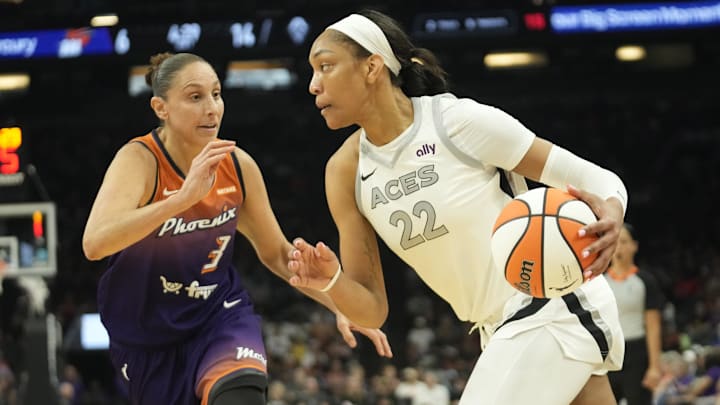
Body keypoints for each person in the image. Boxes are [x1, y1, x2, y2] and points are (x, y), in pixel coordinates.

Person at [288, 9, 629, 405]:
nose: (313, 85)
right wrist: (330, 281)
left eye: (325, 66)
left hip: (551, 303)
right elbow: (372, 311)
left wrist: (612, 211)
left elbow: (598, 180)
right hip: (499, 326)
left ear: (372, 67)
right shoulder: (344, 171)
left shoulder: (455, 123)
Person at [82, 52, 391, 405]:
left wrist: (341, 304)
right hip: (145, 337)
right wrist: (180, 200)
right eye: (195, 97)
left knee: (240, 394)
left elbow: (276, 252)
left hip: (218, 315)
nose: (211, 108)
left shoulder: (237, 165)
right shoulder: (139, 160)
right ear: (160, 108)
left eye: (216, 94)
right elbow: (94, 243)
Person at [605, 223, 665, 404]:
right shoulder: (599, 282)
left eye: (624, 241)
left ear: (634, 246)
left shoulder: (645, 281)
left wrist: (655, 366)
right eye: (615, 242)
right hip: (608, 353)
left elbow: (653, 326)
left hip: (637, 354)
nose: (619, 247)